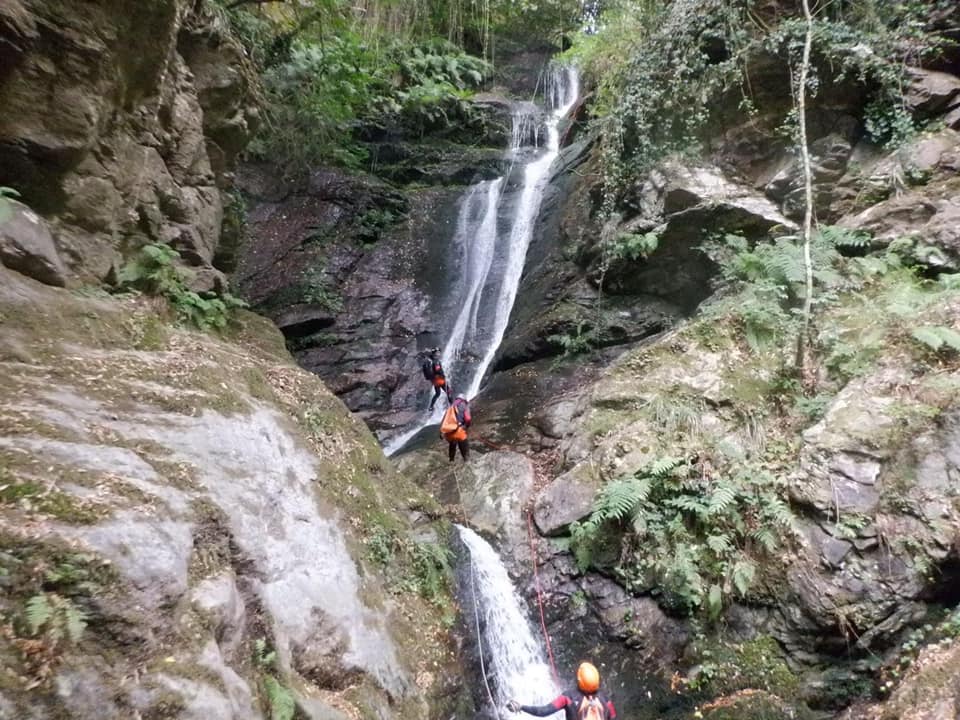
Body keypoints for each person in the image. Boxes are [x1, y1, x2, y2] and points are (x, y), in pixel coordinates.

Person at [506, 662, 616, 720]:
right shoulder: (606, 700)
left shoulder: (568, 697)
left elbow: (544, 711)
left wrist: (521, 707)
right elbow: (614, 718)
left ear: (579, 679)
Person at [440, 393, 471, 463]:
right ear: (464, 399)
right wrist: (466, 426)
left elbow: (444, 420)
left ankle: (451, 461)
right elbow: (468, 419)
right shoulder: (464, 405)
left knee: (452, 444)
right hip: (459, 431)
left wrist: (441, 432)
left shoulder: (451, 406)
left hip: (449, 433)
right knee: (464, 446)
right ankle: (467, 462)